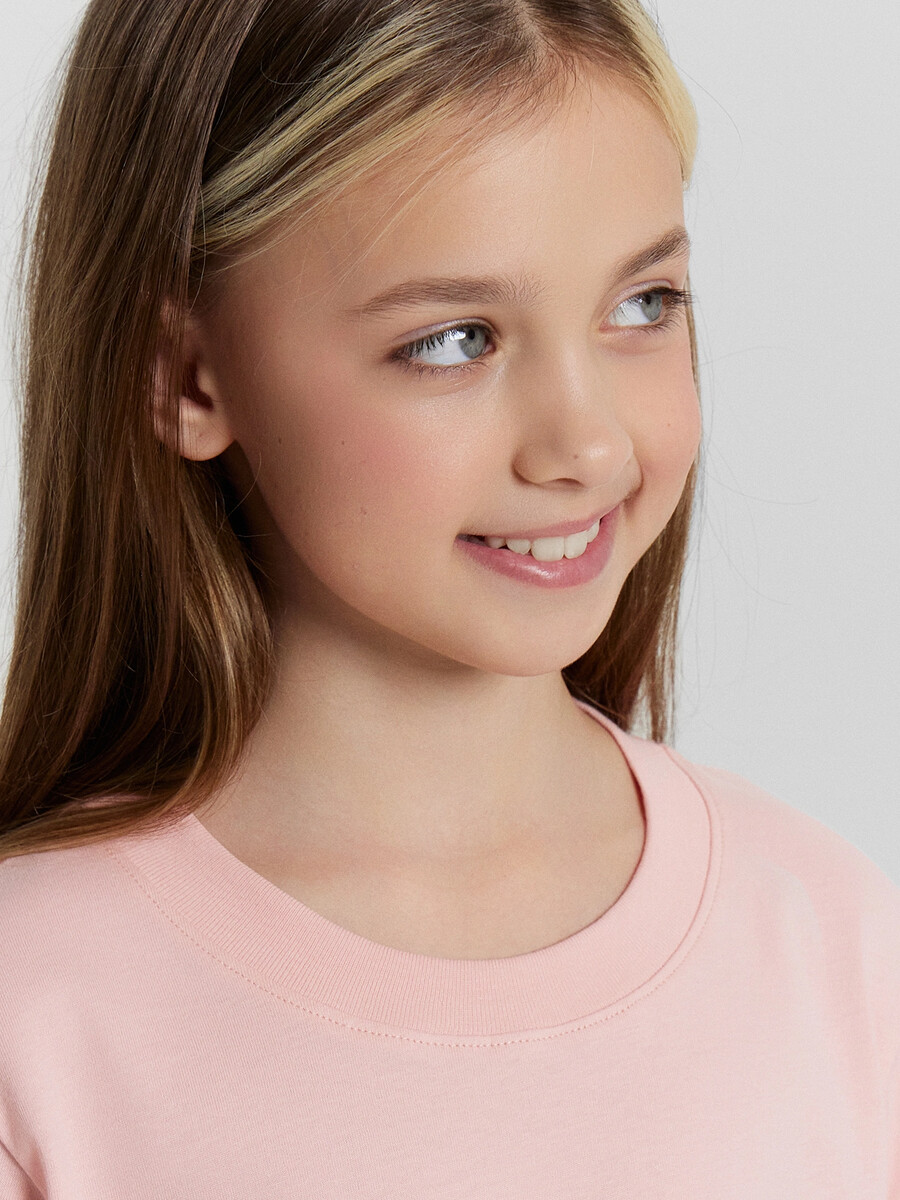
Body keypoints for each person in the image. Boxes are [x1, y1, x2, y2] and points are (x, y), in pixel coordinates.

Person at [0, 0, 896, 1195]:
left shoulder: (834, 946)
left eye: (643, 305)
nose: (587, 444)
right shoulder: (38, 1010)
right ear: (186, 374)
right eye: (455, 340)